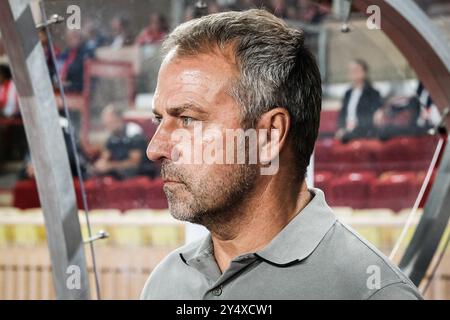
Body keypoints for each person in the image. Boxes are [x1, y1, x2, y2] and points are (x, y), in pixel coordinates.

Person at [140, 10, 422, 299]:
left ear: (269, 134)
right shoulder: (166, 282)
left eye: (187, 119)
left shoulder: (373, 293)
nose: (155, 149)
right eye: (158, 120)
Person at [93, 104, 158, 179]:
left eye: (110, 122)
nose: (108, 127)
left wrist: (109, 166)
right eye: (106, 124)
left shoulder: (133, 132)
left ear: (119, 119)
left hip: (142, 173)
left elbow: (134, 164)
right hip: (124, 173)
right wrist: (100, 165)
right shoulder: (112, 136)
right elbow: (105, 156)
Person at [336, 59, 382, 143]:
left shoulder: (373, 93)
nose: (353, 73)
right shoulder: (348, 93)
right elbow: (342, 114)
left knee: (346, 136)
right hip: (347, 129)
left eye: (356, 70)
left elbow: (372, 117)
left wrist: (354, 127)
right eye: (350, 70)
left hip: (363, 130)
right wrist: (341, 128)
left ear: (364, 72)